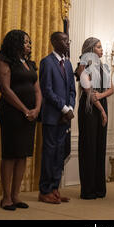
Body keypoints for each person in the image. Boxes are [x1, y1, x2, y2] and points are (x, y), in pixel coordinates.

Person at [0, 30, 42, 210]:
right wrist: (24, 110)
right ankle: (6, 197)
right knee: (10, 154)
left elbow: (37, 89)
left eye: (29, 42)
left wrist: (37, 109)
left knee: (22, 154)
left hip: (30, 114)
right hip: (12, 113)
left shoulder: (30, 64)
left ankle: (16, 196)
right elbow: (5, 90)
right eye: (25, 42)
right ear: (15, 43)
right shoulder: (4, 62)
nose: (29, 45)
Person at [38, 32, 76, 204]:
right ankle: (44, 190)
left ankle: (55, 189)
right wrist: (63, 108)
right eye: (63, 40)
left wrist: (70, 109)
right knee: (49, 154)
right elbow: (47, 90)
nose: (67, 42)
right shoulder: (46, 62)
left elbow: (72, 91)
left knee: (60, 153)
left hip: (65, 118)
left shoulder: (67, 64)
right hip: (52, 117)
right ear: (54, 42)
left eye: (68, 40)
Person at [75, 37, 114, 199]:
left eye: (101, 46)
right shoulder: (82, 66)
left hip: (101, 102)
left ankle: (99, 188)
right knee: (89, 147)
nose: (102, 49)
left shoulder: (104, 67)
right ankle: (88, 190)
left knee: (100, 146)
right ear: (90, 50)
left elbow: (111, 89)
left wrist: (101, 95)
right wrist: (102, 111)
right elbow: (88, 91)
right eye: (98, 47)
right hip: (89, 108)